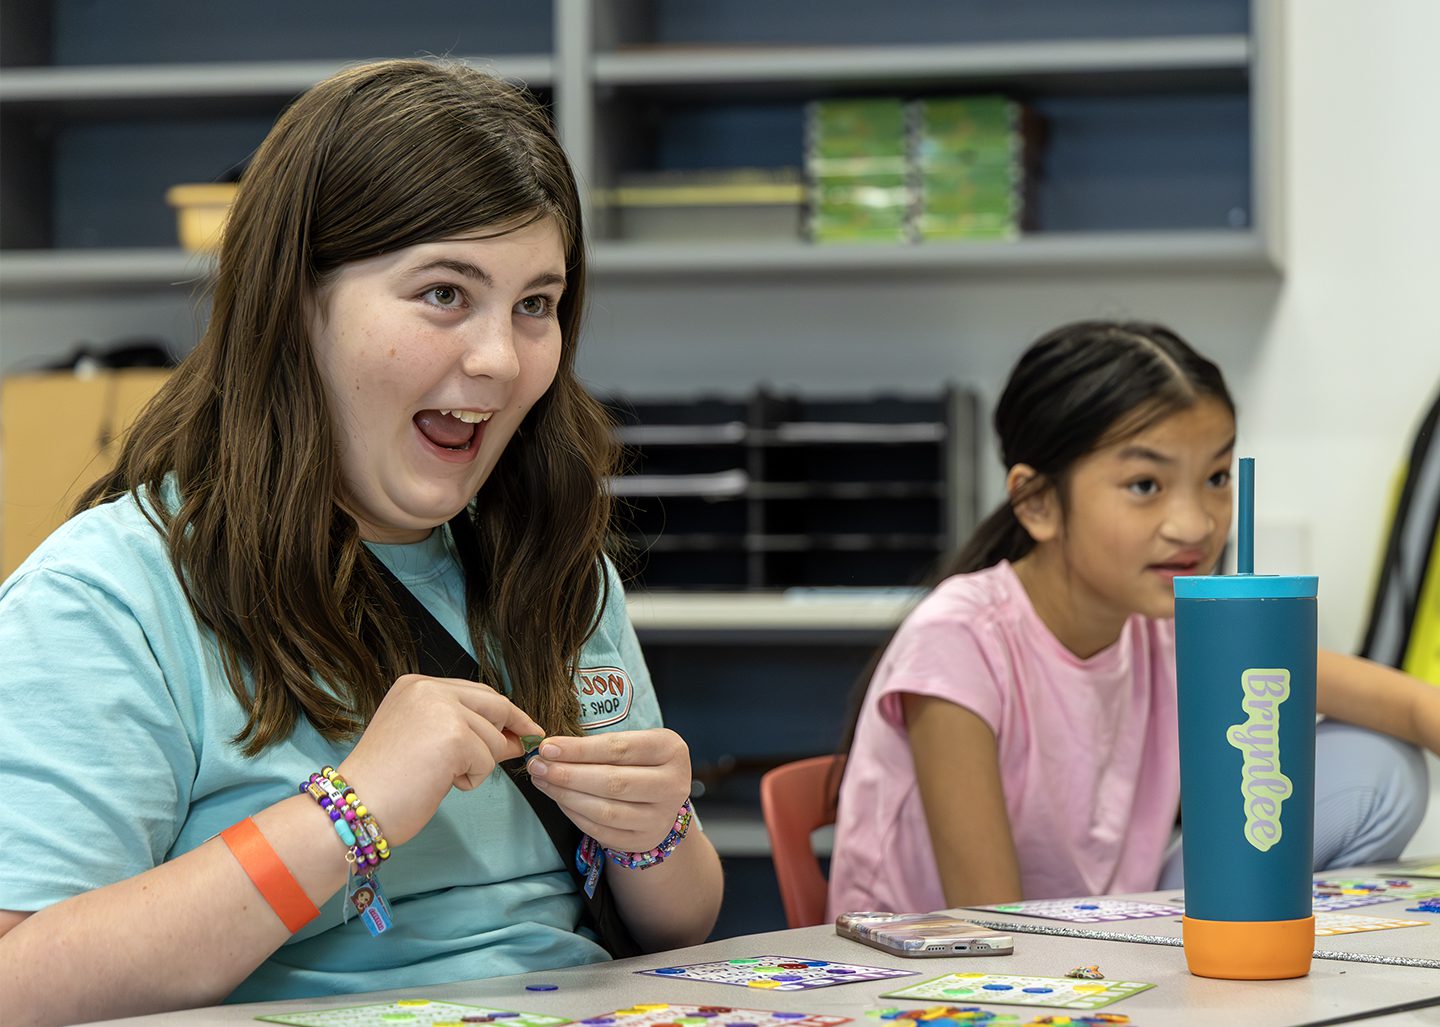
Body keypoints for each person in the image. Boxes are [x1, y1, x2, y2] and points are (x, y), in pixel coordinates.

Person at [0, 58, 722, 1024]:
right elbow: (21, 984)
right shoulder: (106, 595)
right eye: (442, 294)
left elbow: (678, 925)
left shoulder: (552, 562)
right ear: (297, 304)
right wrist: (349, 812)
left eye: (536, 304)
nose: (501, 359)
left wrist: (658, 828)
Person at [827, 320, 1438, 916]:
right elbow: (990, 921)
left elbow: (1409, 705)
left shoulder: (1168, 621)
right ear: (1037, 502)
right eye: (1146, 484)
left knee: (1383, 763)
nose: (1195, 524)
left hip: (1113, 933)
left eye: (1217, 477)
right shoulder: (958, 639)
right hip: (951, 976)